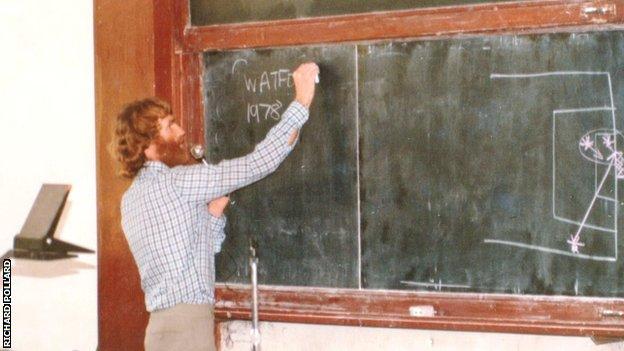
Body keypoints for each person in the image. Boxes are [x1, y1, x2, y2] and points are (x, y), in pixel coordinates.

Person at [110, 62, 319, 351]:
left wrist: (213, 213)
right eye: (170, 126)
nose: (181, 131)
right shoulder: (178, 182)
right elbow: (258, 163)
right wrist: (302, 101)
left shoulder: (130, 199)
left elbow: (188, 253)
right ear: (148, 145)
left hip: (158, 330)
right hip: (189, 328)